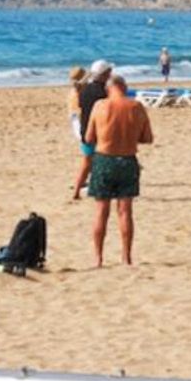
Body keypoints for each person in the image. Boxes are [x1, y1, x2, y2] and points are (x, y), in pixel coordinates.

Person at [85, 75, 154, 267]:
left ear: (108, 89)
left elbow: (89, 137)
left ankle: (98, 258)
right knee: (125, 211)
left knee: (101, 211)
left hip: (104, 159)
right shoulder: (136, 107)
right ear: (124, 87)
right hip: (127, 159)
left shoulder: (100, 106)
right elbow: (148, 138)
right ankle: (126, 256)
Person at [72, 60, 112, 200]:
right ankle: (99, 189)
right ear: (105, 74)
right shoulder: (104, 93)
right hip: (100, 131)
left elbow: (81, 106)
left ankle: (76, 190)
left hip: (85, 130)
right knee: (102, 161)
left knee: (87, 162)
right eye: (109, 72)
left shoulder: (84, 90)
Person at [66, 67, 86, 142]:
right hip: (76, 113)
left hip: (75, 112)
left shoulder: (77, 87)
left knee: (79, 133)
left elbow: (76, 84)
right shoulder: (79, 86)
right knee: (80, 133)